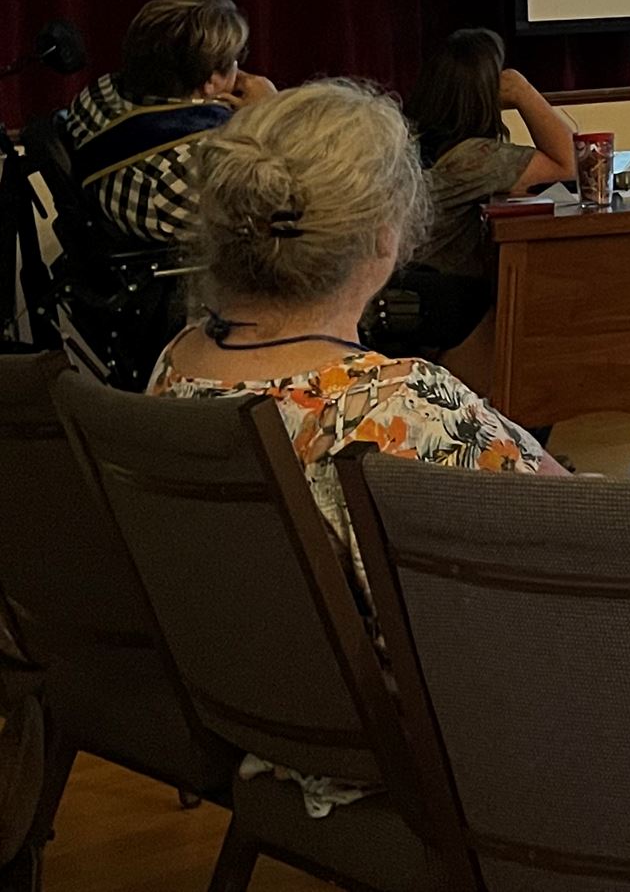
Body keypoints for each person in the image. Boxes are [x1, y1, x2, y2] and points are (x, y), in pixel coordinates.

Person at [149, 79, 558, 815]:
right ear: (383, 235)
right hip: (429, 760)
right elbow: (589, 533)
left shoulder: (178, 363)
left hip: (265, 727)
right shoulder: (396, 404)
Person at [396, 29, 577, 373]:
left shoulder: (408, 140)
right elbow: (570, 163)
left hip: (405, 286)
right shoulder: (475, 159)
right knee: (533, 306)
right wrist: (524, 91)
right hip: (441, 297)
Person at [60, 0, 276, 249]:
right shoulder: (188, 168)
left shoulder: (95, 96)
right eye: (235, 59)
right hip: (202, 275)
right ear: (211, 81)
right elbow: (285, 216)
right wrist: (270, 113)